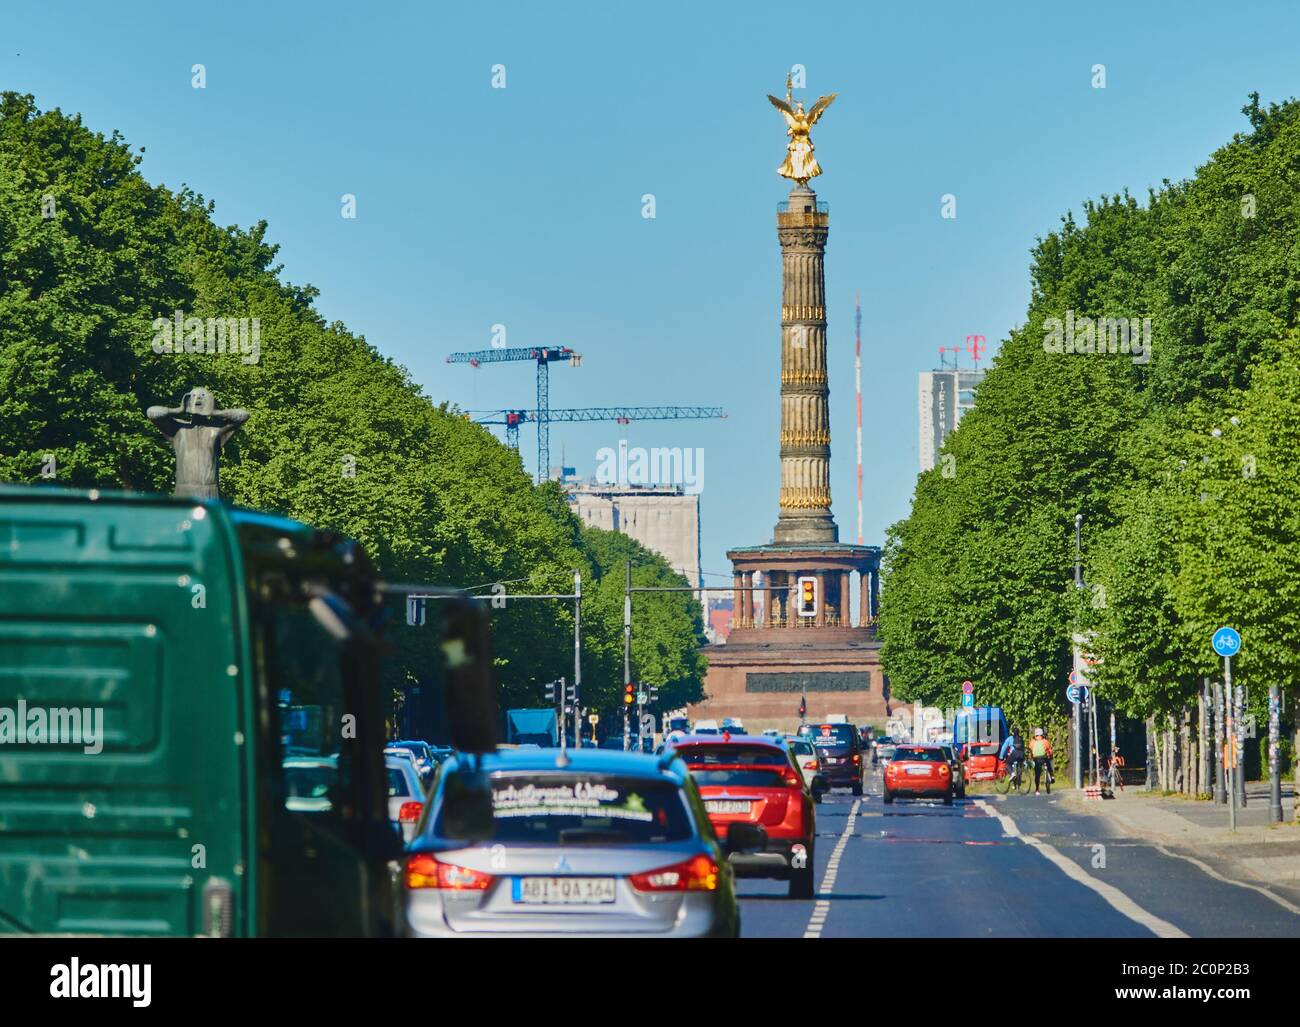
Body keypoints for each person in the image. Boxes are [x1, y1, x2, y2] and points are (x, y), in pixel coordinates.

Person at [1029, 728, 1053, 794]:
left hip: (1036, 759)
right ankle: (1052, 776)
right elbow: (1050, 749)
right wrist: (1050, 755)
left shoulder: (1032, 742)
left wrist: (1032, 757)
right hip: (1044, 758)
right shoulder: (1045, 741)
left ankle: (1037, 790)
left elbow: (1030, 750)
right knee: (1049, 765)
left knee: (1037, 774)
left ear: (1035, 735)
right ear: (1042, 734)